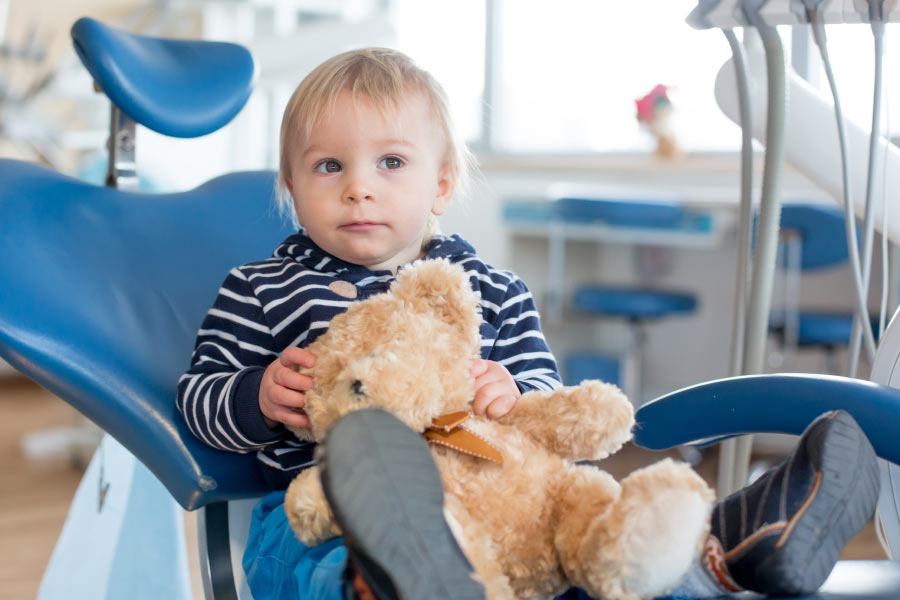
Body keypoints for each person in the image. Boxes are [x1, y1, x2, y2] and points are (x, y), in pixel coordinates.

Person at [176, 47, 880, 600]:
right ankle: (383, 579)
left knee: (581, 539)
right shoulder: (264, 289)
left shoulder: (490, 290)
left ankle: (723, 551)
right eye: (328, 166)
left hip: (500, 500)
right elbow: (198, 397)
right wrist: (257, 395)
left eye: (391, 162)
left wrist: (509, 391)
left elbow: (543, 391)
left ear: (442, 184)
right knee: (294, 558)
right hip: (332, 508)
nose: (359, 185)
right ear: (292, 188)